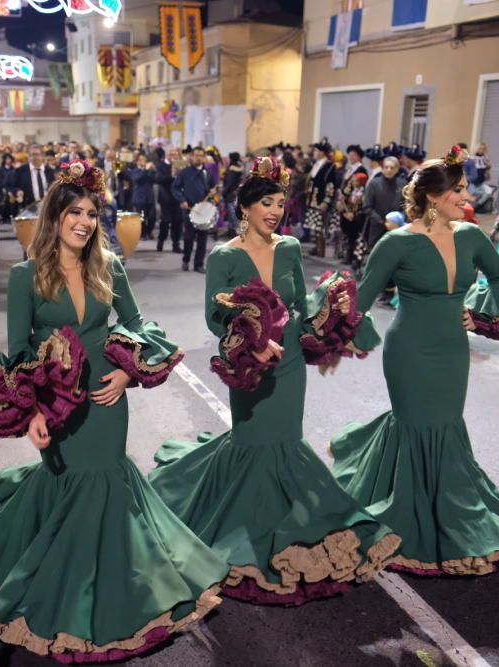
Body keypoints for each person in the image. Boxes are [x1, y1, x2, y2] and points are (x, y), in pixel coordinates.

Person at [0, 160, 228, 661]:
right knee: (69, 485)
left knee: (109, 481)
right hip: (56, 402)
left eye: (91, 212)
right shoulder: (25, 275)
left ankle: (122, 591)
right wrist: (32, 413)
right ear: (55, 216)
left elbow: (133, 321)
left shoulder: (108, 265)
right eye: (75, 211)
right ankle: (67, 592)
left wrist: (129, 372)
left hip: (108, 397)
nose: (85, 221)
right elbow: (20, 349)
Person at [149, 157, 399, 605]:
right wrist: (253, 341)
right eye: (266, 202)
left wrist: (334, 335)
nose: (275, 211)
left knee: (286, 440)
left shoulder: (288, 248)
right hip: (249, 363)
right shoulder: (224, 256)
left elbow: (301, 303)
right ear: (244, 206)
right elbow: (214, 316)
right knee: (252, 440)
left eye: (280, 203)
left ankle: (290, 525)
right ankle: (243, 532)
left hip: (290, 363)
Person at [330, 146, 499, 576]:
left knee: (445, 424)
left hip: (451, 348)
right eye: (456, 191)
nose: (465, 199)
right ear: (430, 197)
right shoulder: (397, 242)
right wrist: (341, 339)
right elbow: (362, 298)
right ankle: (405, 513)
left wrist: (477, 310)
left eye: (464, 190)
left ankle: (449, 511)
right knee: (415, 422)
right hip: (409, 348)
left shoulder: (470, 234)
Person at [172, 146, 217, 273]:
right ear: (192, 157)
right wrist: (181, 200)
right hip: (189, 209)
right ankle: (186, 260)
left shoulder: (207, 173)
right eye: (196, 155)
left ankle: (198, 264)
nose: (198, 158)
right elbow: (175, 187)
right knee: (188, 238)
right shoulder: (185, 172)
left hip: (203, 210)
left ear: (204, 158)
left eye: (201, 156)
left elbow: (213, 187)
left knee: (202, 239)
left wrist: (213, 191)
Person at [305, 141, 337, 257]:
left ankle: (321, 249)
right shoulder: (316, 164)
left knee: (321, 226)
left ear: (322, 152)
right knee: (315, 225)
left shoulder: (329, 166)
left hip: (320, 199)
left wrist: (326, 201)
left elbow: (331, 185)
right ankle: (316, 246)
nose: (314, 152)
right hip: (313, 198)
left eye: (316, 150)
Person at [156, 147, 182, 253]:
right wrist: (171, 176)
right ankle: (161, 241)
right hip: (165, 197)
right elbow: (158, 179)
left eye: (174, 154)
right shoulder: (161, 165)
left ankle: (176, 244)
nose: (172, 156)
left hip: (178, 198)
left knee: (177, 222)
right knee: (165, 221)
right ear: (166, 155)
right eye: (170, 154)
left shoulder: (180, 165)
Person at [11, 144, 55, 208]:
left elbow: (53, 187)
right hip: (29, 207)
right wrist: (17, 191)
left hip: (47, 206)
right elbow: (12, 187)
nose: (34, 157)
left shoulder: (49, 171)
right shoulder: (20, 170)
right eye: (32, 155)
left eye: (37, 154)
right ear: (28, 157)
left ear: (42, 156)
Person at [125, 152, 157, 240]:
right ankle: (143, 234)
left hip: (149, 198)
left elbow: (154, 180)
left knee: (152, 217)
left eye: (145, 160)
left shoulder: (149, 171)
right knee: (141, 218)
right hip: (139, 198)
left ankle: (149, 231)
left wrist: (153, 170)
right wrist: (145, 170)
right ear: (137, 162)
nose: (143, 162)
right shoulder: (134, 171)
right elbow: (137, 179)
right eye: (141, 160)